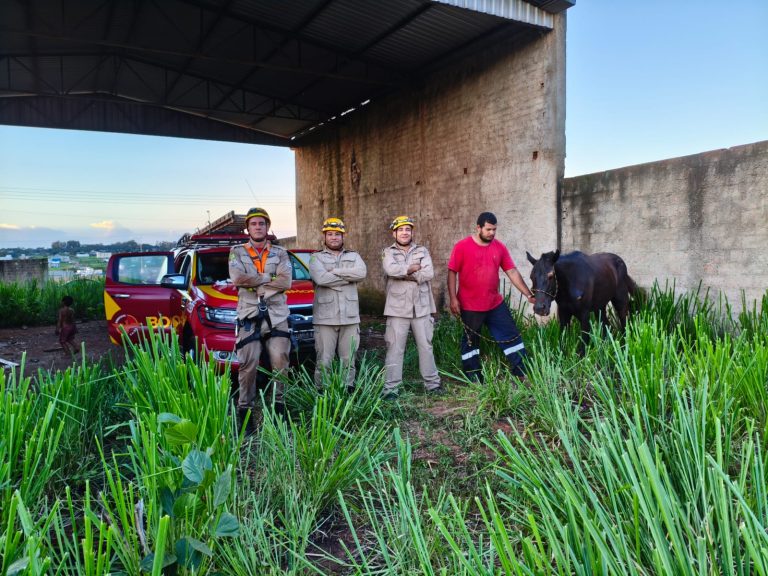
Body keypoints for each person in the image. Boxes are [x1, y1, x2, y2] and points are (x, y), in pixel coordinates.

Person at [447, 212, 536, 383]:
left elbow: (512, 271)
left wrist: (528, 294)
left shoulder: (499, 247)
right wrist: (453, 298)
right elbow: (452, 272)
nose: (492, 233)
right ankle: (473, 377)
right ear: (478, 228)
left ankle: (521, 372)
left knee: (511, 335)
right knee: (471, 341)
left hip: (494, 303)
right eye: (488, 229)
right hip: (470, 305)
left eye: (494, 230)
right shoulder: (462, 246)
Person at [229, 207, 293, 420]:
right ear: (247, 228)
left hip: (277, 315)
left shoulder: (281, 252)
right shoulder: (237, 252)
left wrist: (260, 283)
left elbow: (287, 281)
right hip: (249, 315)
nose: (258, 227)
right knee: (248, 363)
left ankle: (279, 408)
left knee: (280, 361)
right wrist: (270, 278)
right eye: (254, 224)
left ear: (268, 226)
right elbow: (238, 278)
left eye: (262, 223)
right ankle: (245, 410)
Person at [381, 215, 443, 400]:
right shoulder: (388, 252)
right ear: (394, 233)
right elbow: (390, 270)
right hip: (397, 308)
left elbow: (428, 272)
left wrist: (404, 273)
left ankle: (432, 385)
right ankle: (391, 389)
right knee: (395, 348)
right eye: (400, 229)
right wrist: (413, 268)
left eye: (408, 229)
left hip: (421, 306)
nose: (405, 232)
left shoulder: (422, 250)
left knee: (426, 346)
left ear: (411, 232)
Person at [309, 217, 367, 389]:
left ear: (343, 236)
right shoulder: (315, 258)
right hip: (325, 318)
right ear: (324, 237)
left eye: (337, 234)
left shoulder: (354, 255)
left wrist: (334, 271)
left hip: (350, 317)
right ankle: (322, 394)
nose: (334, 237)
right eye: (330, 234)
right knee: (324, 361)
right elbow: (320, 277)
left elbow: (362, 273)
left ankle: (346, 392)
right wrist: (348, 278)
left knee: (348, 360)